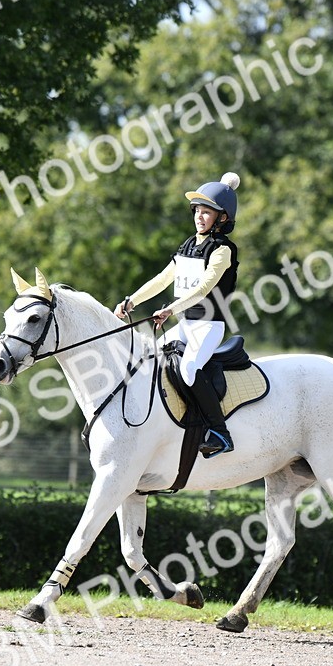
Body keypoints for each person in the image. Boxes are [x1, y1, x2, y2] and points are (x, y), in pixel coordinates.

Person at [115, 172, 242, 457]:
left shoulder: (222, 250)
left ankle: (220, 432)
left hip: (209, 326)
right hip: (186, 324)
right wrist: (132, 300)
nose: (199, 216)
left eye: (206, 212)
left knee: (189, 369)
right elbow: (163, 279)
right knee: (147, 359)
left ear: (222, 218)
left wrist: (170, 309)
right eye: (197, 210)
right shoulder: (188, 245)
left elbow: (204, 288)